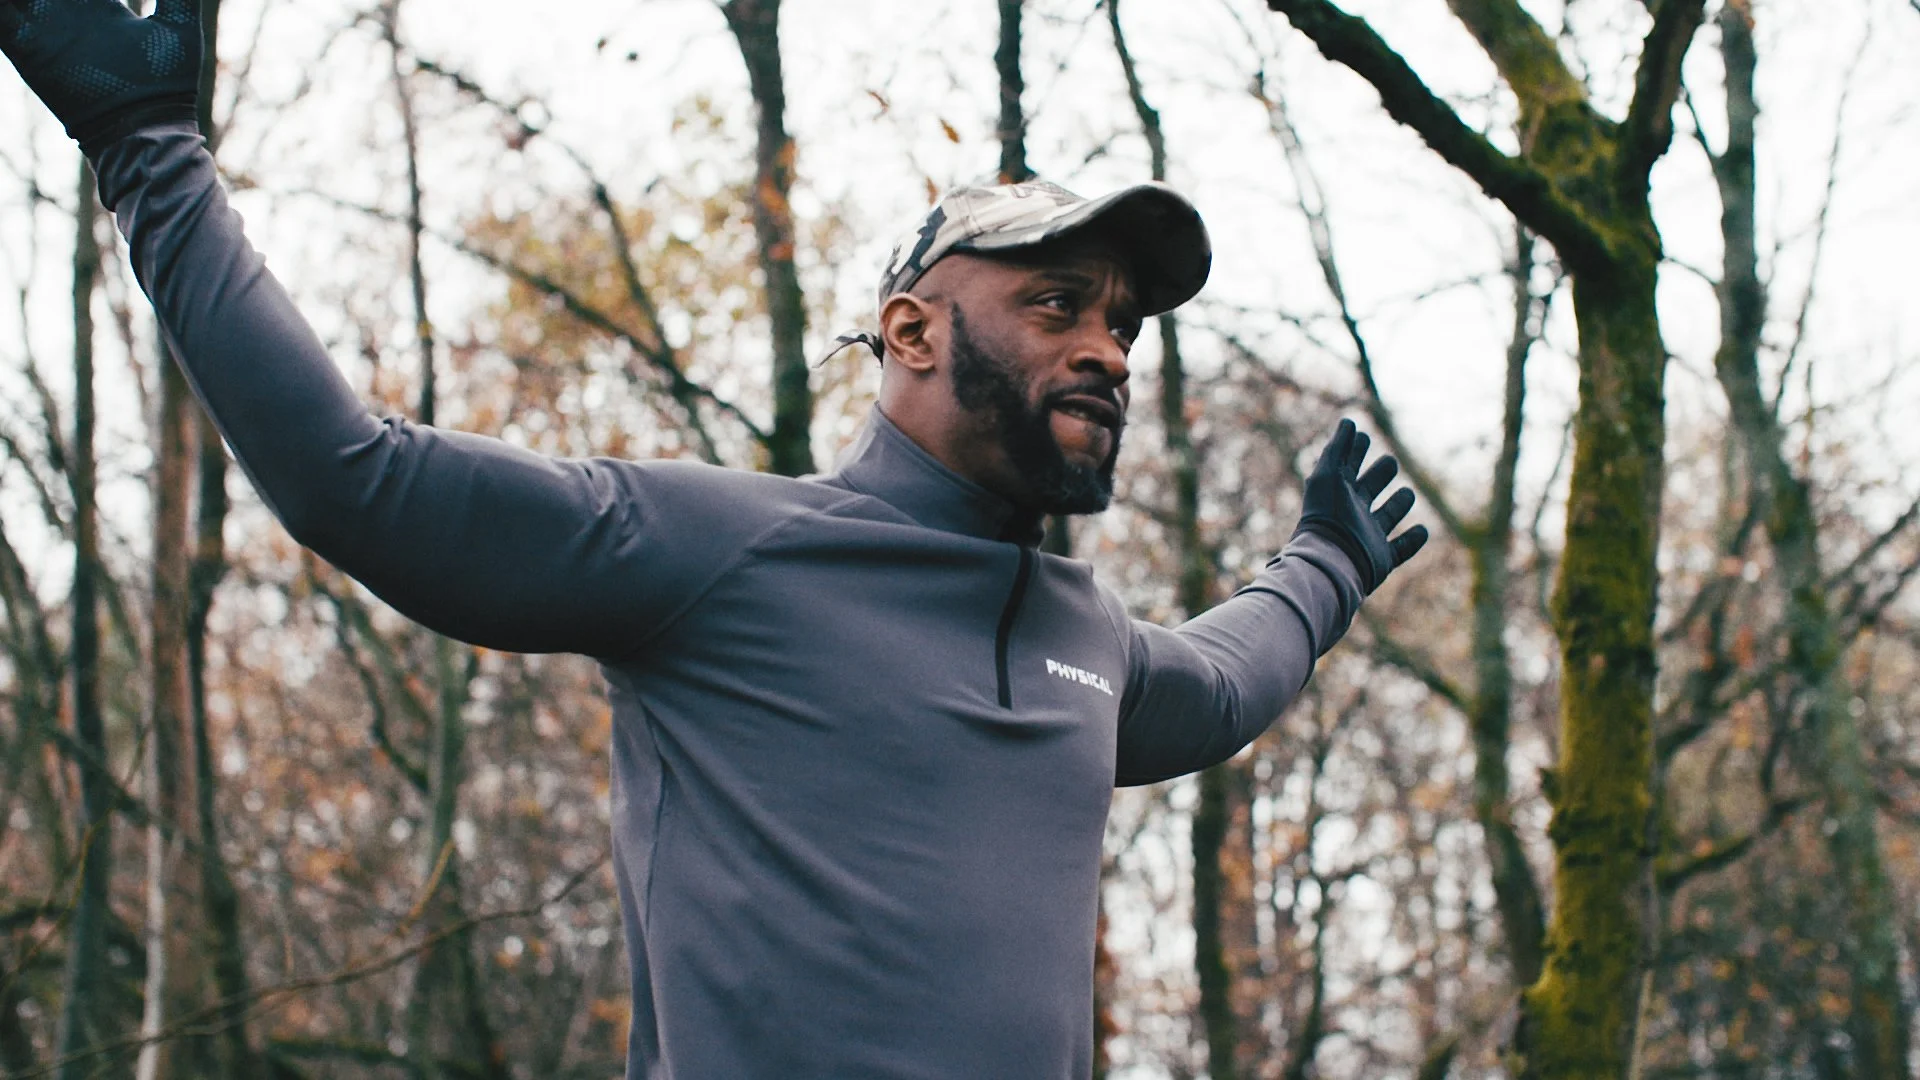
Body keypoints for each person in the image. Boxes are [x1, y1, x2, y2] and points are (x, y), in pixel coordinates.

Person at [2, 2, 1428, 1077]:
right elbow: (352, 482)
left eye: (1122, 322)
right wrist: (150, 155)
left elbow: (1222, 682)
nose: (1109, 349)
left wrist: (1324, 567)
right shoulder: (720, 555)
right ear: (912, 332)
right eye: (1059, 304)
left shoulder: (1085, 643)